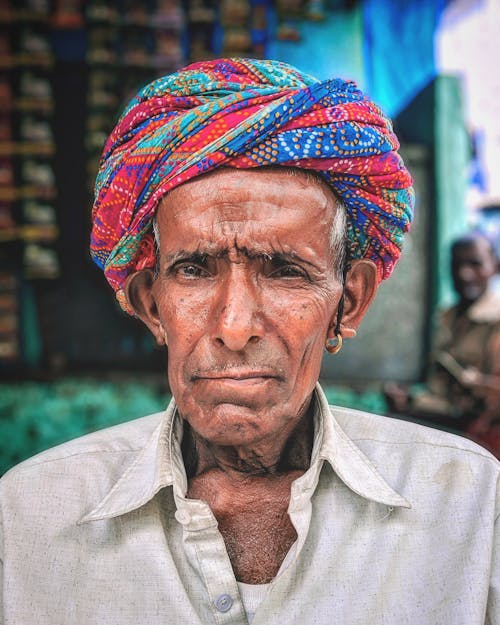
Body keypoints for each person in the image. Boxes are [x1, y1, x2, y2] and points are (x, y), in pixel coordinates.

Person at [0, 59, 498, 625]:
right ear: (151, 306)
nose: (235, 327)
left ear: (349, 302)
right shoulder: (31, 513)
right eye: (193, 270)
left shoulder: (468, 503)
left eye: (285, 270)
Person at [385, 232, 500, 450]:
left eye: (475, 264)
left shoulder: (496, 322)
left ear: (494, 266)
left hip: (478, 439)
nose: (464, 274)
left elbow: (488, 400)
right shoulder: (444, 319)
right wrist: (409, 399)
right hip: (444, 425)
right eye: (457, 265)